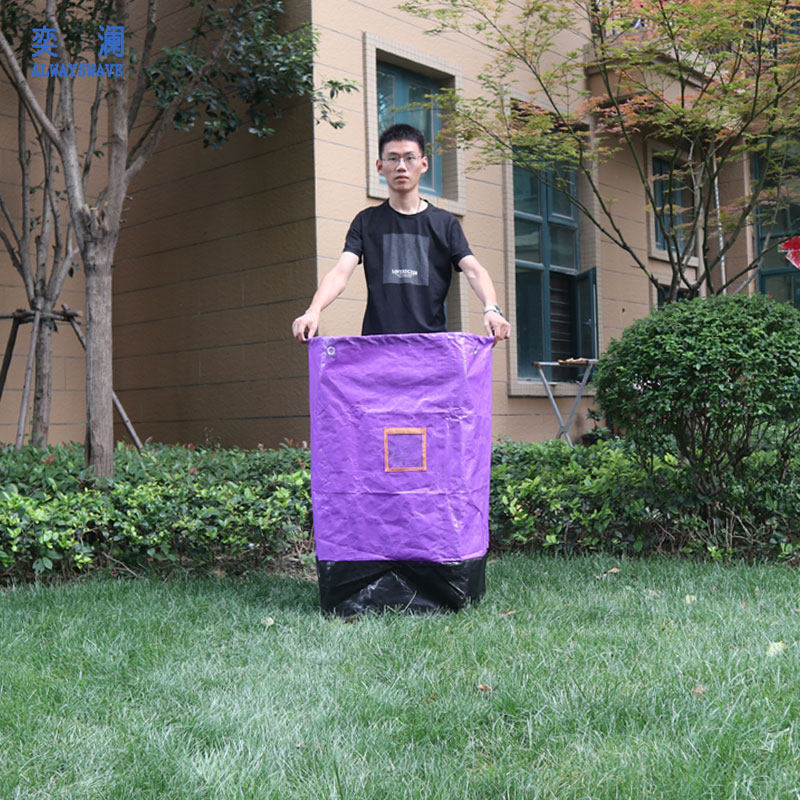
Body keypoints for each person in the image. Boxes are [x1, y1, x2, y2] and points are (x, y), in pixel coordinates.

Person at [291, 123, 511, 344]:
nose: (401, 166)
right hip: (378, 347)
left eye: (410, 158)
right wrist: (313, 310)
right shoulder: (366, 221)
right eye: (393, 158)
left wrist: (491, 309)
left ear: (424, 164)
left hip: (431, 347)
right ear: (380, 166)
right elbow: (340, 273)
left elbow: (474, 271)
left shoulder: (445, 223)